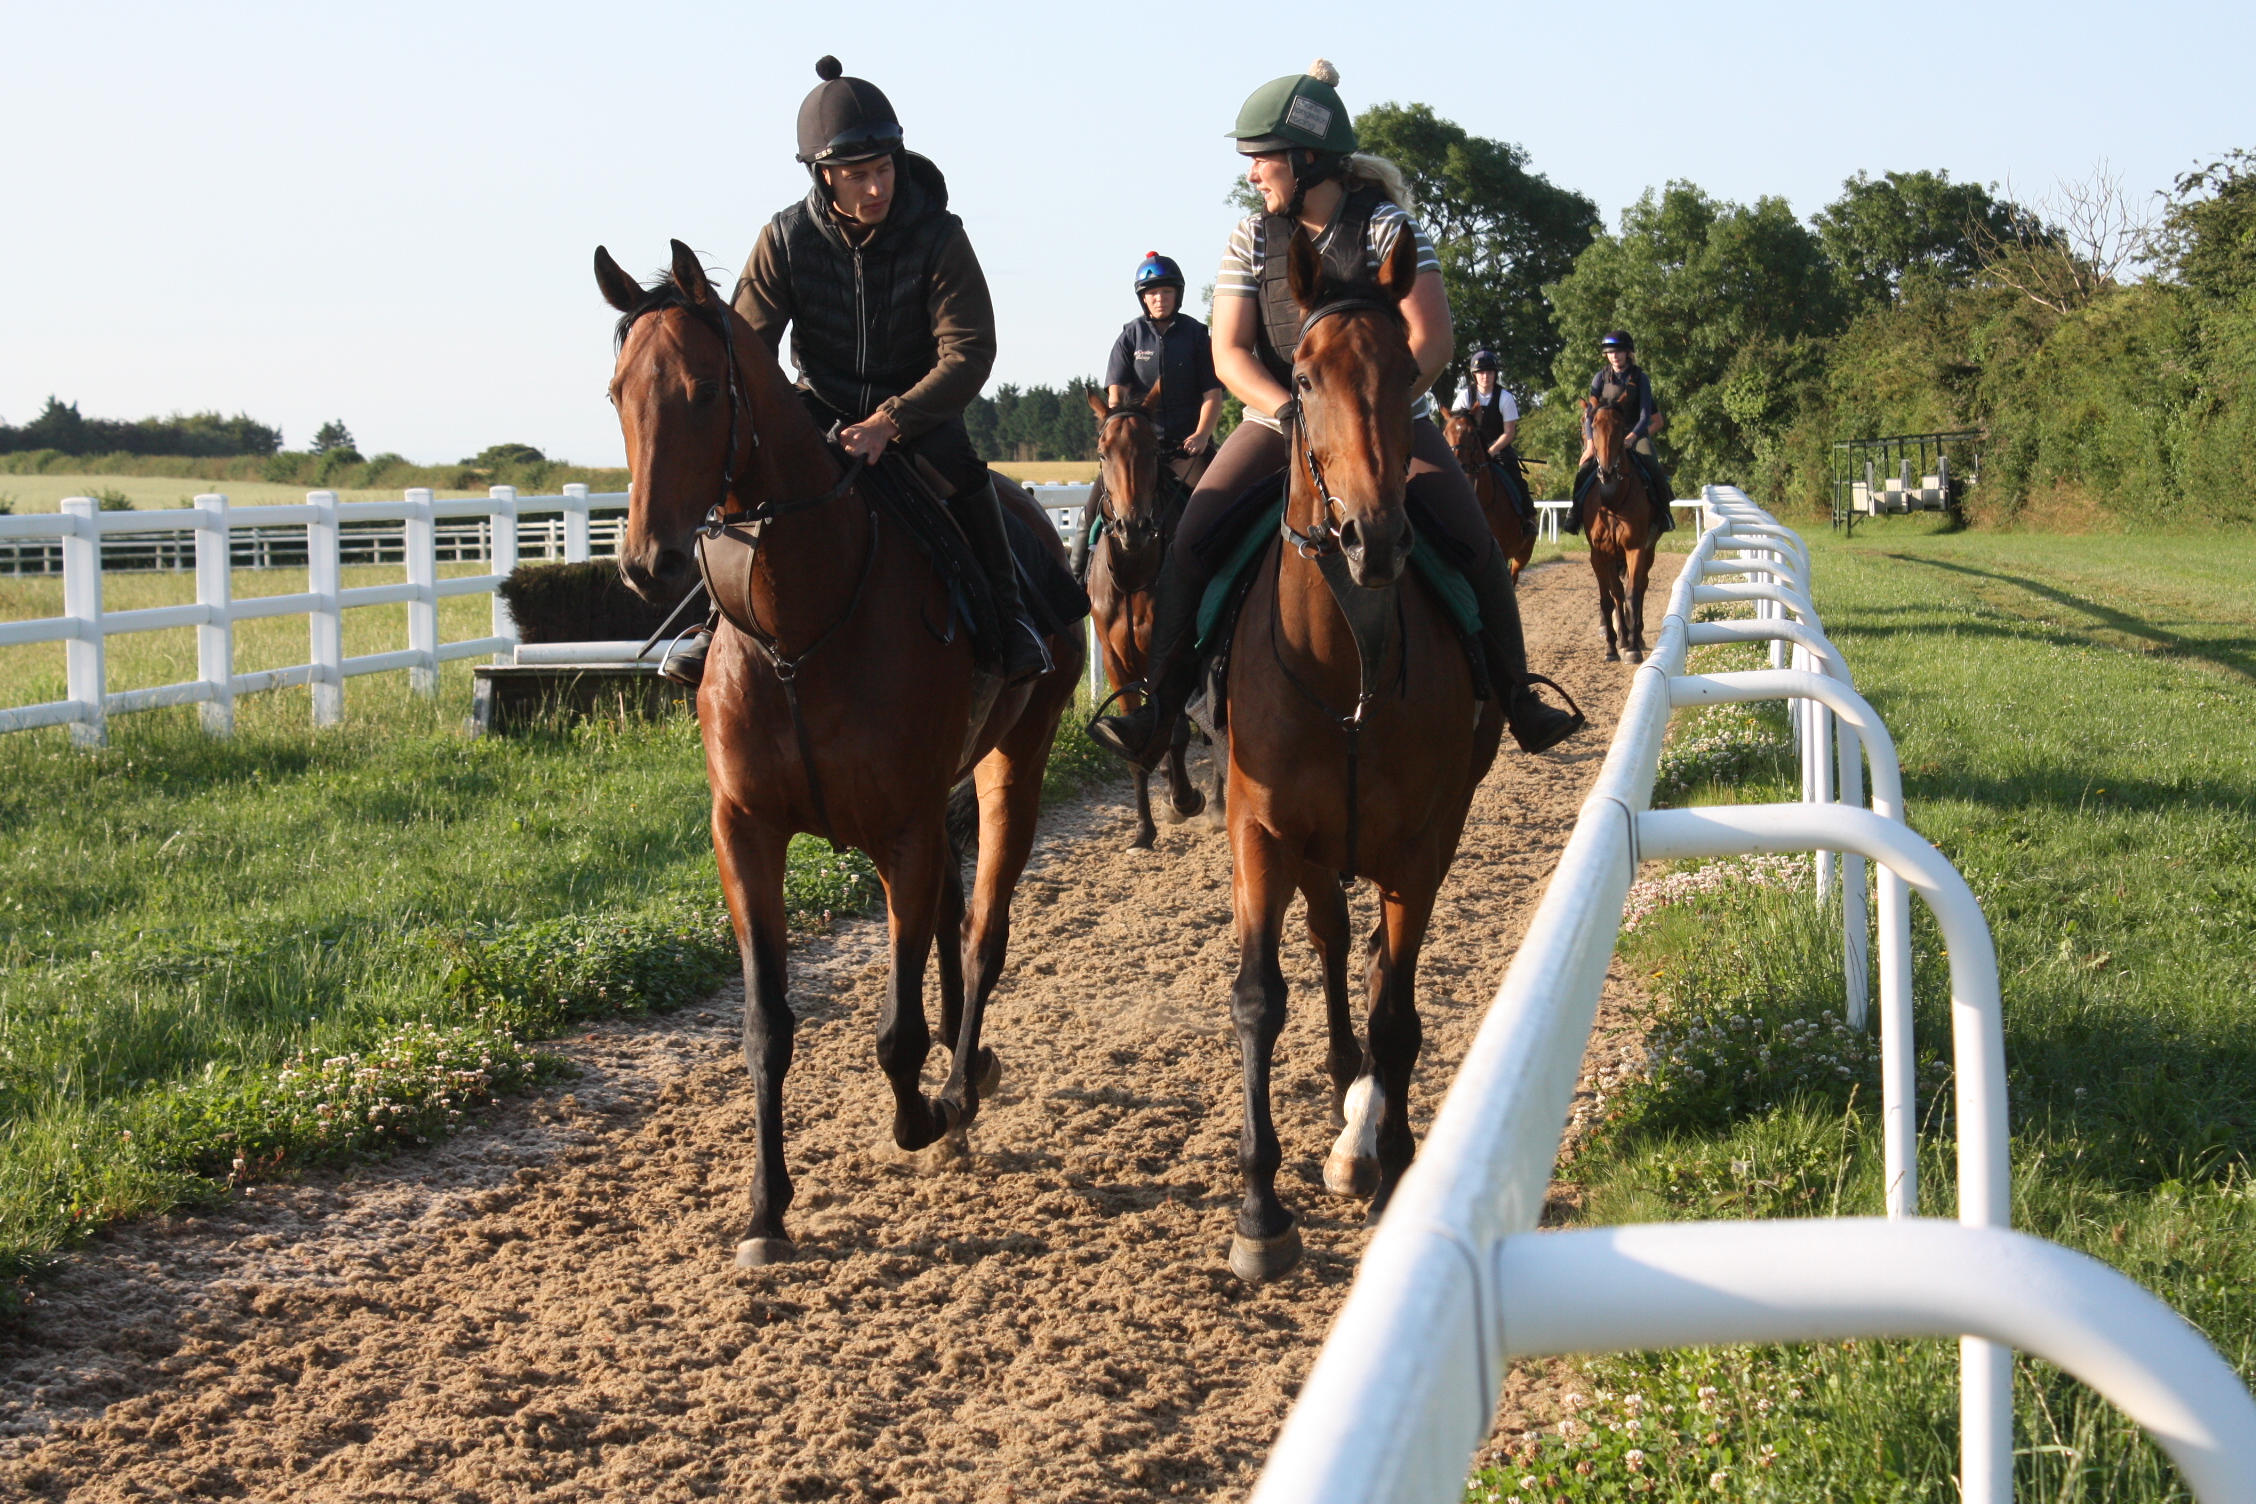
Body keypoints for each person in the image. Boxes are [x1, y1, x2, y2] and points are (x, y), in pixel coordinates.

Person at [1089, 60, 1582, 766]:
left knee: (1475, 545)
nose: (1253, 174)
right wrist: (1295, 411)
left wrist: (1369, 411)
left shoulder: (1388, 227)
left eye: (1261, 159)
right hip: (1276, 422)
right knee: (1192, 541)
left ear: (1306, 158)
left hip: (1392, 420)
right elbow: (1229, 354)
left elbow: (1431, 340)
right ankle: (1162, 708)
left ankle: (1519, 695)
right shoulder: (1249, 238)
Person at [660, 56, 1046, 688]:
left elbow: (970, 350)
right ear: (824, 177)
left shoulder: (941, 235)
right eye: (859, 176)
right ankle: (710, 622)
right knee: (746, 480)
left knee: (966, 478)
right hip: (818, 407)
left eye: (885, 169)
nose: (877, 189)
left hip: (919, 412)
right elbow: (746, 352)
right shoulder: (782, 239)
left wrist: (890, 421)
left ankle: (1010, 621)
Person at [1068, 254, 1227, 580]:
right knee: (1089, 512)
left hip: (1187, 449)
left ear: (1177, 295)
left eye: (1166, 292)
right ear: (1143, 298)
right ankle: (1073, 581)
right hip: (1139, 449)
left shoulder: (1197, 336)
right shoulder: (1130, 337)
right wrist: (1123, 434)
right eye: (1152, 293)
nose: (1159, 298)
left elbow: (1213, 395)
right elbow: (1116, 395)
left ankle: (1223, 582)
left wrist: (1200, 436)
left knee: (1221, 509)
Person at [1569, 330, 1675, 537]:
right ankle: (1574, 514)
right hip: (1604, 435)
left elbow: (1646, 415)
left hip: (1634, 433)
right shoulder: (1600, 377)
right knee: (1584, 470)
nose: (1614, 356)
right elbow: (1589, 413)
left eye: (1618, 352)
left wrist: (1632, 438)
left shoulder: (1640, 377)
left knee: (1652, 465)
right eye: (1610, 353)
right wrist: (1590, 444)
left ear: (1628, 353)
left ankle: (1664, 514)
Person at [1450, 347, 1538, 534]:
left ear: (1495, 374)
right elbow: (1456, 427)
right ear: (1475, 375)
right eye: (1481, 372)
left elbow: (1509, 432)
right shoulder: (1464, 396)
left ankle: (1527, 519)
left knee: (1517, 479)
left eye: (1489, 372)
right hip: (1468, 449)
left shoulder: (1505, 397)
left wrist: (1491, 451)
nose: (1485, 376)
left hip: (1497, 448)